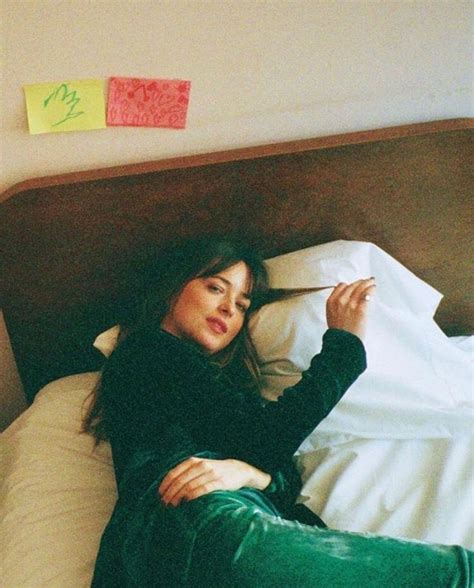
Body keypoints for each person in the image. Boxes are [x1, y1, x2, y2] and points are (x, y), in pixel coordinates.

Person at [84, 236, 472, 587]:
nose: (228, 308)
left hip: (191, 544)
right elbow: (267, 439)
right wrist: (345, 347)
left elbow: (281, 471)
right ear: (172, 289)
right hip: (200, 528)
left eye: (242, 305)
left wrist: (247, 472)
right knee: (456, 574)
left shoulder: (212, 391)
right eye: (216, 287)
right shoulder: (147, 352)